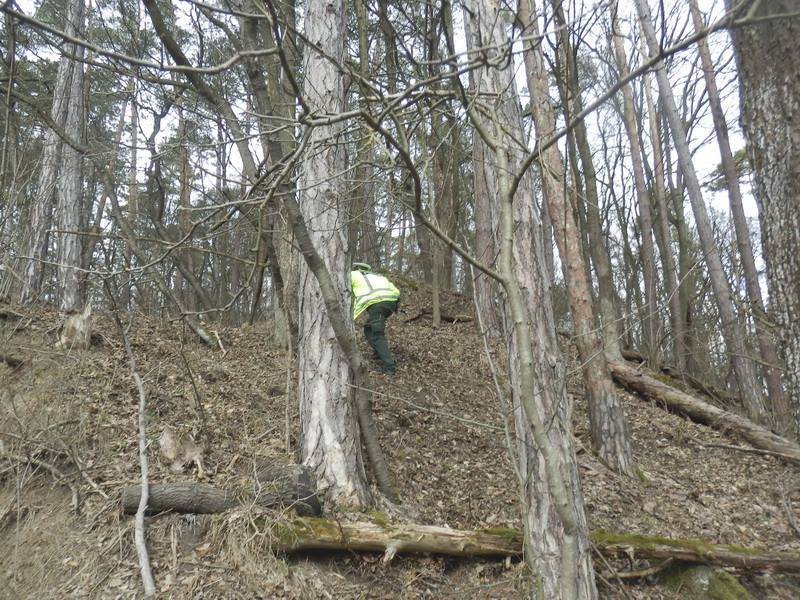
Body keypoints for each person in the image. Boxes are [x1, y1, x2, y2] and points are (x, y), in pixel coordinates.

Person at [351, 263, 401, 374]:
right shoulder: (378, 276)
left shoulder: (353, 275)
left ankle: (390, 367)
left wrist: (351, 317)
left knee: (377, 335)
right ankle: (379, 352)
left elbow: (349, 295)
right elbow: (396, 290)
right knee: (368, 328)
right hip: (390, 303)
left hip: (377, 305)